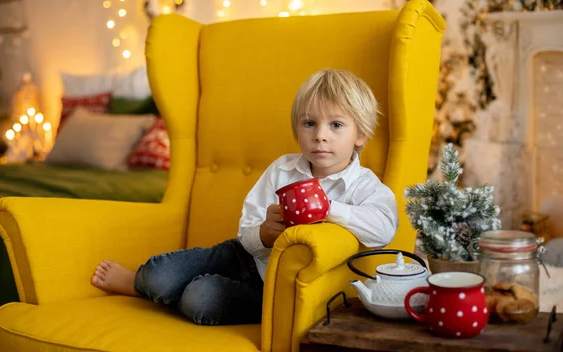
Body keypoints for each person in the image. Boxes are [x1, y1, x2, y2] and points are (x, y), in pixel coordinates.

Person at [91, 68, 398, 326]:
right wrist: (263, 233)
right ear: (296, 130)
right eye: (309, 123)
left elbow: (384, 228)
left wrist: (329, 209)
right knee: (159, 275)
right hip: (242, 254)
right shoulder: (283, 168)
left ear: (360, 134)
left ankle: (176, 294)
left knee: (200, 299)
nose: (320, 134)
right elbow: (247, 227)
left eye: (335, 125)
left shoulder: (363, 186)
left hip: (271, 288)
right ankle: (140, 284)